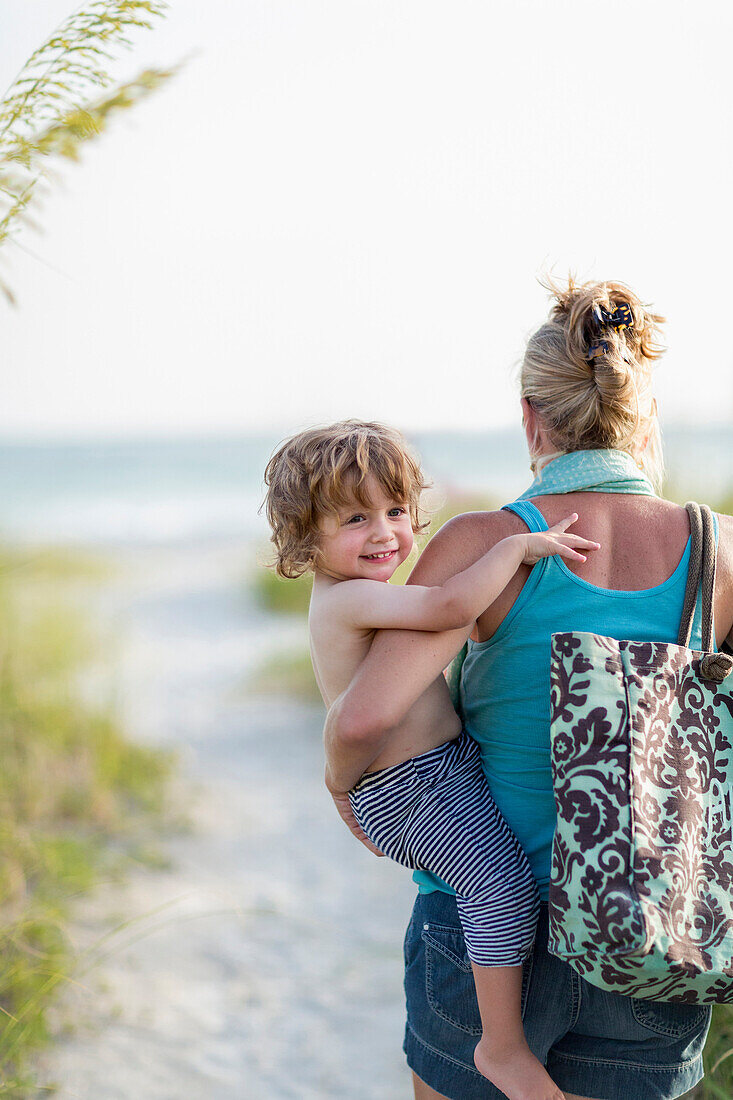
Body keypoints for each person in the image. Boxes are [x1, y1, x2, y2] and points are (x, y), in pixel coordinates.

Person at [322, 279, 733, 1100]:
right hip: (651, 924)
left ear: (530, 416)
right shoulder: (719, 550)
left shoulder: (489, 542)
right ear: (643, 415)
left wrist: (338, 782)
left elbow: (370, 712)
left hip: (485, 935)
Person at [263, 421, 600, 1100]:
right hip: (412, 787)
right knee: (496, 885)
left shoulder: (356, 592)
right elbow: (451, 604)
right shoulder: (350, 597)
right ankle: (500, 1047)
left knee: (495, 876)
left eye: (394, 511)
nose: (385, 532)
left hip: (427, 776)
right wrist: (516, 547)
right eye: (356, 518)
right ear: (306, 536)